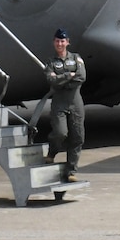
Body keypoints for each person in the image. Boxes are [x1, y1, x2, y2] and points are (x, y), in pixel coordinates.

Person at [45, 28, 85, 182]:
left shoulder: (76, 58)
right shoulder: (50, 62)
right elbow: (51, 80)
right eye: (57, 41)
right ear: (54, 43)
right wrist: (70, 75)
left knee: (77, 136)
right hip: (60, 102)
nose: (60, 44)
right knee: (61, 133)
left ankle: (71, 171)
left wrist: (61, 78)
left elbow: (81, 76)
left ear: (68, 42)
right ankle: (52, 152)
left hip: (75, 101)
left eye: (62, 41)